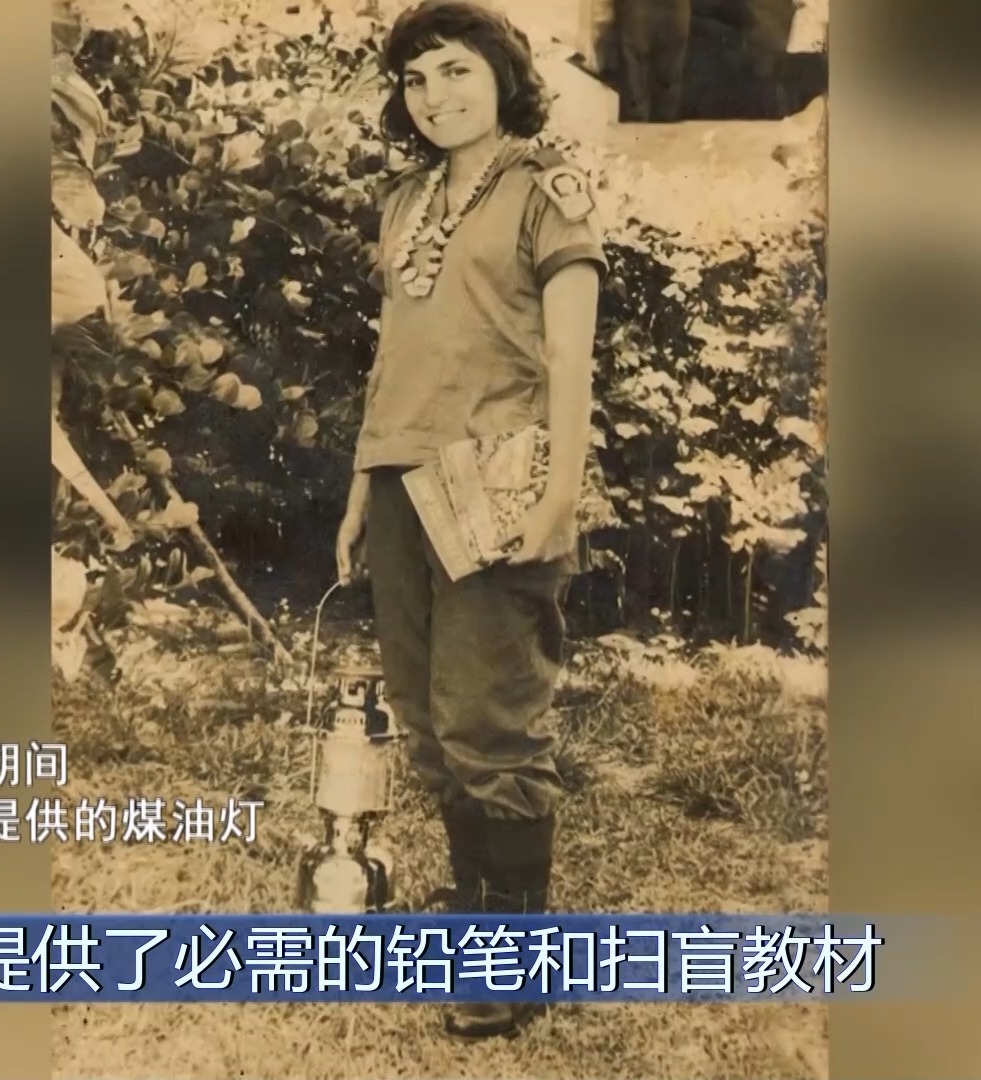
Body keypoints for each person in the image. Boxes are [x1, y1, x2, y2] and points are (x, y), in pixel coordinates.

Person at [332, 0, 608, 1040]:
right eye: (416, 78)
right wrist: (361, 488)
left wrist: (559, 492)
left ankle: (515, 953)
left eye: (456, 71)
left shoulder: (547, 189)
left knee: (489, 713)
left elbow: (571, 356)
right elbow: (393, 356)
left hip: (496, 476)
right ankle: (476, 908)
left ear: (502, 77)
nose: (434, 95)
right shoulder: (406, 201)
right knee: (425, 713)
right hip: (400, 478)